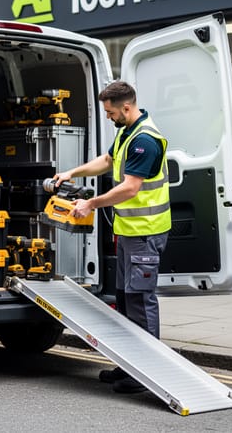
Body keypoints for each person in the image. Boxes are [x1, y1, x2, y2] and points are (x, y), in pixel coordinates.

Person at [51, 80, 170, 395]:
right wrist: (71, 173)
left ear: (126, 108)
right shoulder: (127, 133)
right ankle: (130, 363)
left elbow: (131, 187)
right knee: (126, 299)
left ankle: (146, 371)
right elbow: (107, 161)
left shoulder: (146, 140)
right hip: (130, 233)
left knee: (141, 301)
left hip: (146, 233)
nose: (108, 117)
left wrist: (90, 203)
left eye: (110, 111)